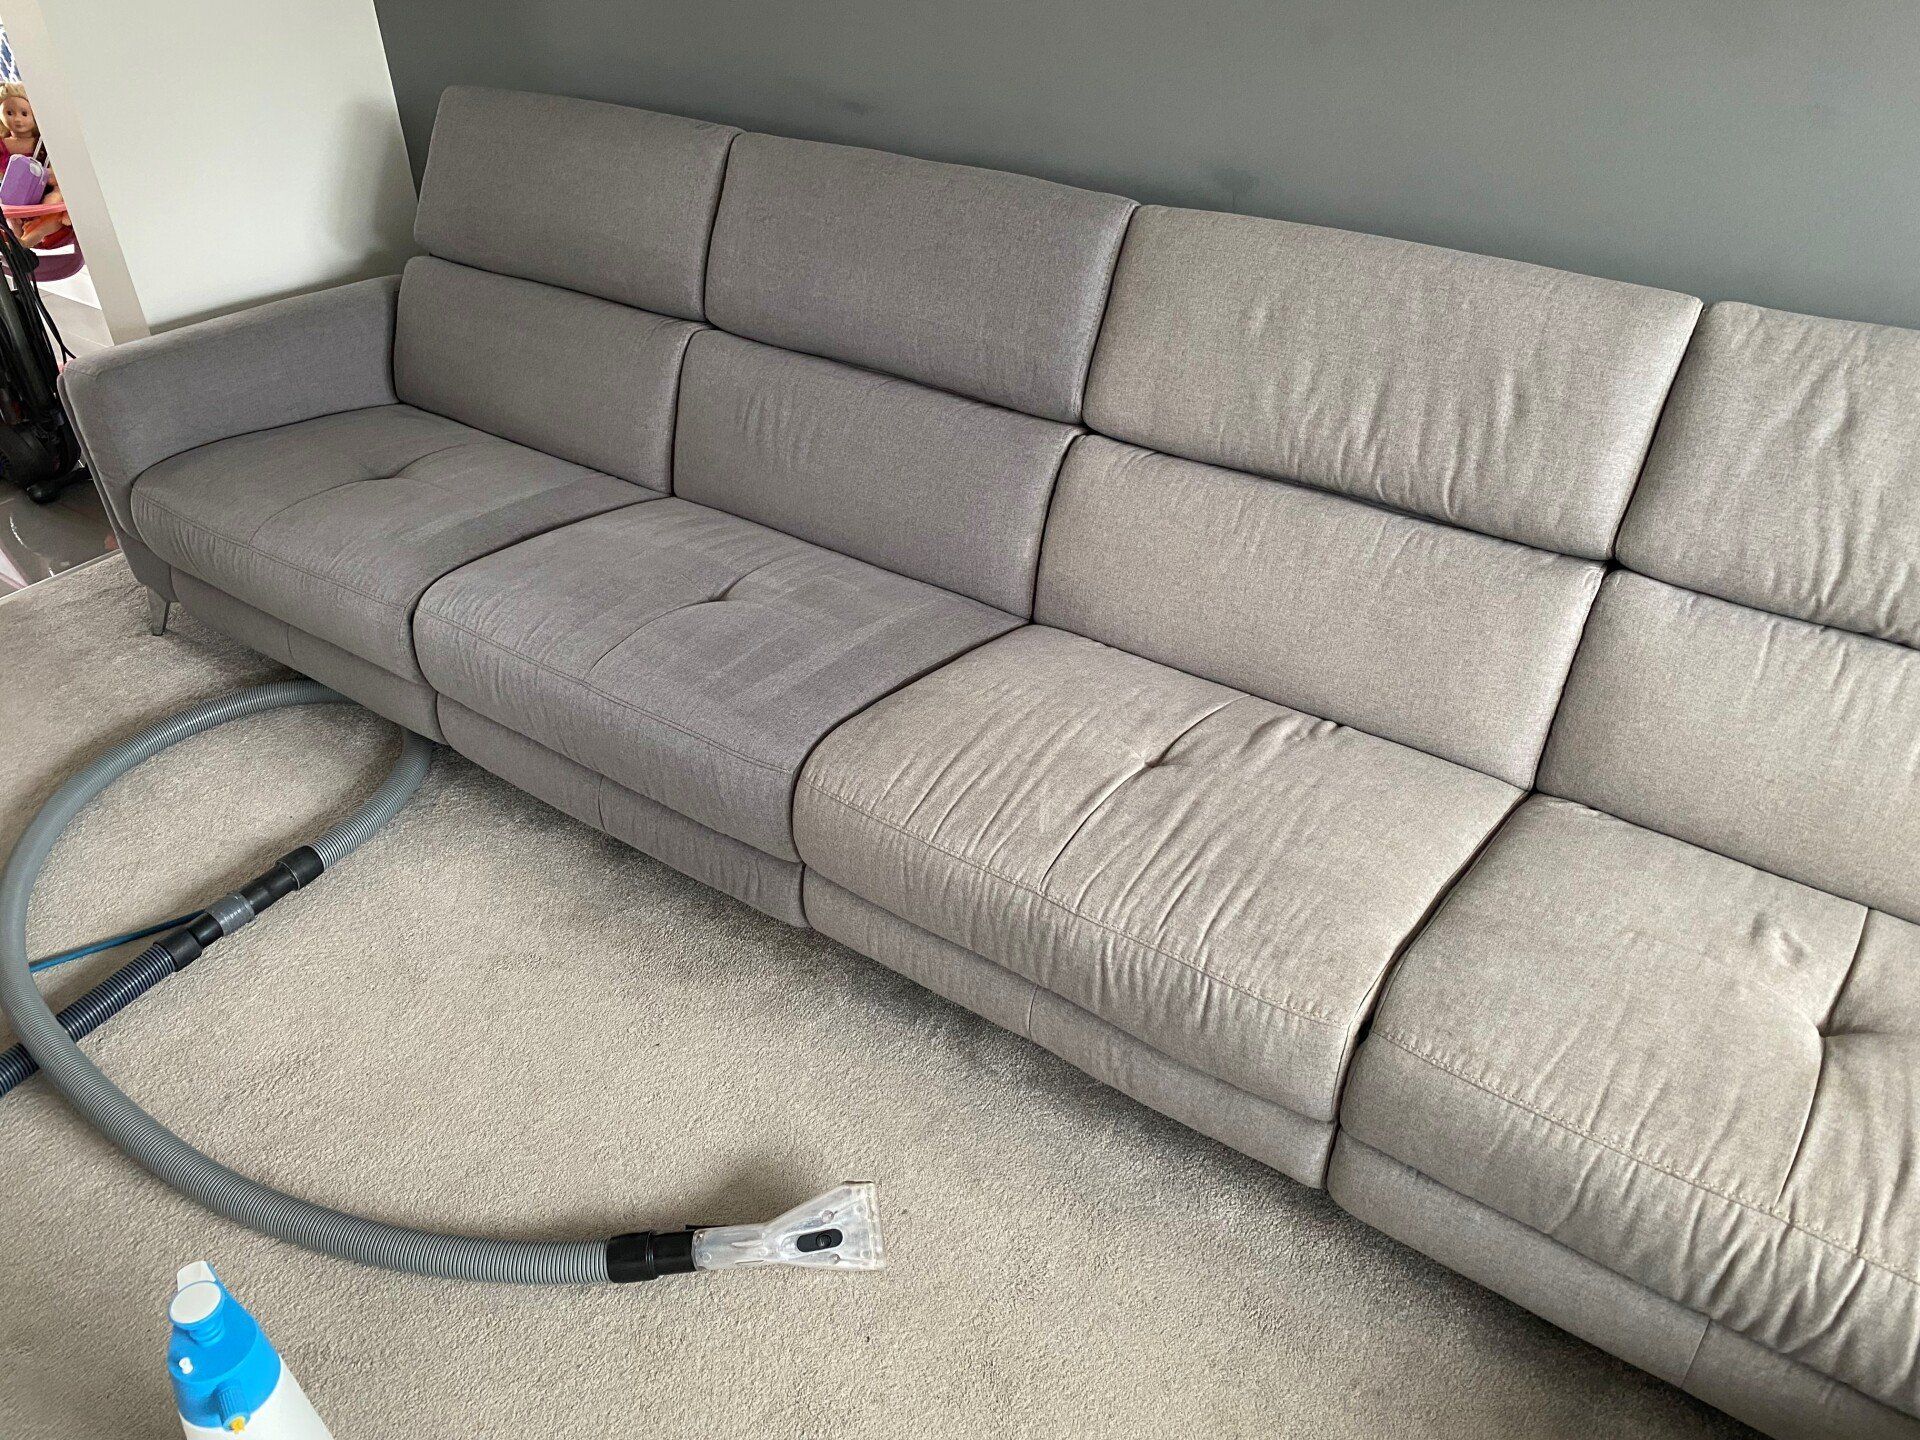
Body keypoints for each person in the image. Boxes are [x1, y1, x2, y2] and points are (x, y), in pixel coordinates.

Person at [0, 82, 72, 249]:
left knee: (54, 210)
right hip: (14, 200)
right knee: (10, 214)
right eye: (9, 113)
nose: (17, 119)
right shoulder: (3, 144)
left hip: (44, 199)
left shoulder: (44, 144)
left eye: (24, 113)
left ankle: (25, 242)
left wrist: (47, 174)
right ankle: (15, 240)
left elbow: (58, 173)